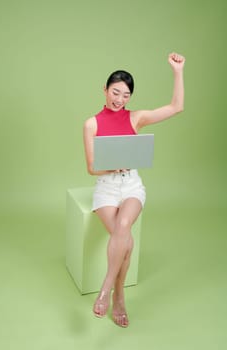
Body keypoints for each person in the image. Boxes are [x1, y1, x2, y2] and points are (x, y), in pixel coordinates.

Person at [83, 52, 185, 328]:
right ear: (104, 90)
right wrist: (112, 167)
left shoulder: (136, 118)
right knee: (124, 241)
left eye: (126, 95)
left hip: (131, 185)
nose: (119, 99)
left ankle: (106, 289)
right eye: (115, 92)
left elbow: (176, 107)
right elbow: (92, 167)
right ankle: (119, 297)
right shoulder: (91, 124)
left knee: (123, 225)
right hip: (105, 188)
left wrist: (178, 71)